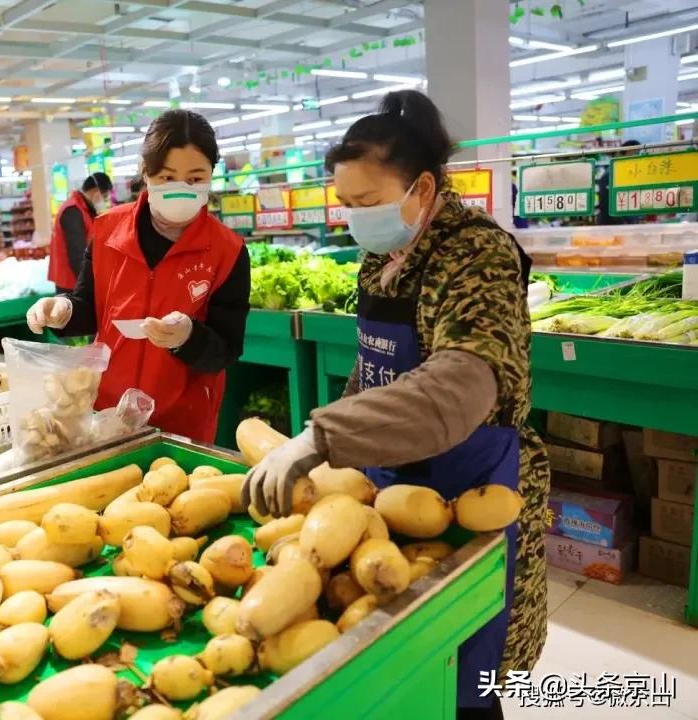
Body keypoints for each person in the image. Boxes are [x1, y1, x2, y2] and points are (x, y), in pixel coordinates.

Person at [241, 90, 548, 720]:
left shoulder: (478, 255)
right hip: (387, 491)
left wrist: (324, 437)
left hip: (473, 488)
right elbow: (375, 366)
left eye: (369, 203)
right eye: (347, 205)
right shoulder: (384, 255)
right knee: (399, 665)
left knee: (470, 675)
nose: (357, 219)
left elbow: (459, 386)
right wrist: (333, 437)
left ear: (423, 188)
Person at [27, 110, 250, 443]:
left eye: (195, 178)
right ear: (146, 173)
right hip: (106, 413)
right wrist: (63, 310)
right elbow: (89, 305)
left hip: (182, 422)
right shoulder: (105, 232)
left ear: (211, 175)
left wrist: (187, 337)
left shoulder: (227, 251)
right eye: (166, 177)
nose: (181, 189)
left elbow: (227, 348)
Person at [47, 172, 113, 293]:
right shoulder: (73, 210)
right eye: (104, 197)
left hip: (78, 281)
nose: (105, 202)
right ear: (95, 192)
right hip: (71, 285)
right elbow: (77, 256)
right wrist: (90, 285)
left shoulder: (84, 208)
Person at [596, 139, 641, 225]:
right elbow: (607, 206)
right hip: (615, 226)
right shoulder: (612, 174)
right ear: (628, 152)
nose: (638, 157)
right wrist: (625, 223)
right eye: (636, 153)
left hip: (626, 223)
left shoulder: (628, 172)